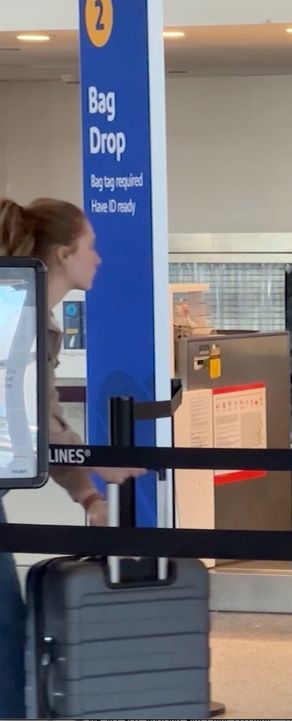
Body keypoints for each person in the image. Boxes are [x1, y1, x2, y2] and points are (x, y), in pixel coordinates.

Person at [0, 197, 143, 717]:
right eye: (90, 246)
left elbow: (41, 415)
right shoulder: (22, 312)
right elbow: (30, 414)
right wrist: (93, 468)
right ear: (63, 254)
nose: (98, 258)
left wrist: (86, 492)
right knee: (5, 634)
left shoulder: (28, 309)